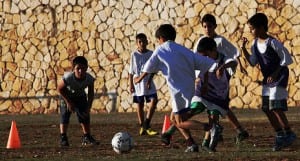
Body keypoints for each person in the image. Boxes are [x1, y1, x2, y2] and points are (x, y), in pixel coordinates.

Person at [134, 24, 217, 152]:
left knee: (179, 122)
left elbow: (149, 65)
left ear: (161, 38)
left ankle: (210, 128)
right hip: (189, 88)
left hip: (177, 91)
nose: (158, 42)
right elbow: (203, 62)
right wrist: (213, 69)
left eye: (157, 40)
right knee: (174, 118)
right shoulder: (183, 50)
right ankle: (191, 143)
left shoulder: (161, 49)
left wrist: (139, 78)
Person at [241, 13, 296, 151]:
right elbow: (253, 62)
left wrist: (276, 73)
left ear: (261, 28)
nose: (250, 31)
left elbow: (286, 59)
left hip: (280, 76)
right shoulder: (254, 44)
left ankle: (289, 133)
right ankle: (280, 135)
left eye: (252, 28)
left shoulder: (273, 42)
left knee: (275, 106)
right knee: (266, 108)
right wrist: (243, 50)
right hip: (268, 79)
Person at [193, 13, 249, 143]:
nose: (207, 29)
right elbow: (196, 59)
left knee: (216, 105)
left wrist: (239, 66)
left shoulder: (221, 41)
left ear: (215, 26)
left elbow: (234, 54)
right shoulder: (200, 41)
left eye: (210, 26)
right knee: (217, 106)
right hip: (206, 78)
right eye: (205, 26)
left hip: (220, 78)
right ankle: (235, 130)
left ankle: (215, 132)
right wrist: (197, 77)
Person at [57, 56, 99, 147]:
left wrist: (88, 106)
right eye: (78, 68)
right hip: (67, 96)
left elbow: (91, 93)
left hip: (80, 96)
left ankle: (87, 136)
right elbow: (59, 89)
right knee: (65, 115)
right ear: (73, 69)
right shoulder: (68, 77)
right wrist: (68, 102)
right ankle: (63, 137)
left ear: (87, 68)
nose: (80, 71)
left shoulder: (89, 78)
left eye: (83, 68)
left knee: (84, 115)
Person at [129, 33, 158, 136]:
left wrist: (149, 80)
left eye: (143, 41)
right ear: (137, 44)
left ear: (147, 41)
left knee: (154, 101)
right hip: (137, 83)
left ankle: (147, 124)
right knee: (140, 104)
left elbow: (154, 69)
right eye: (139, 42)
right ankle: (142, 127)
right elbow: (131, 71)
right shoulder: (134, 55)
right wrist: (131, 85)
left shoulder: (151, 54)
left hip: (147, 82)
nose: (142, 43)